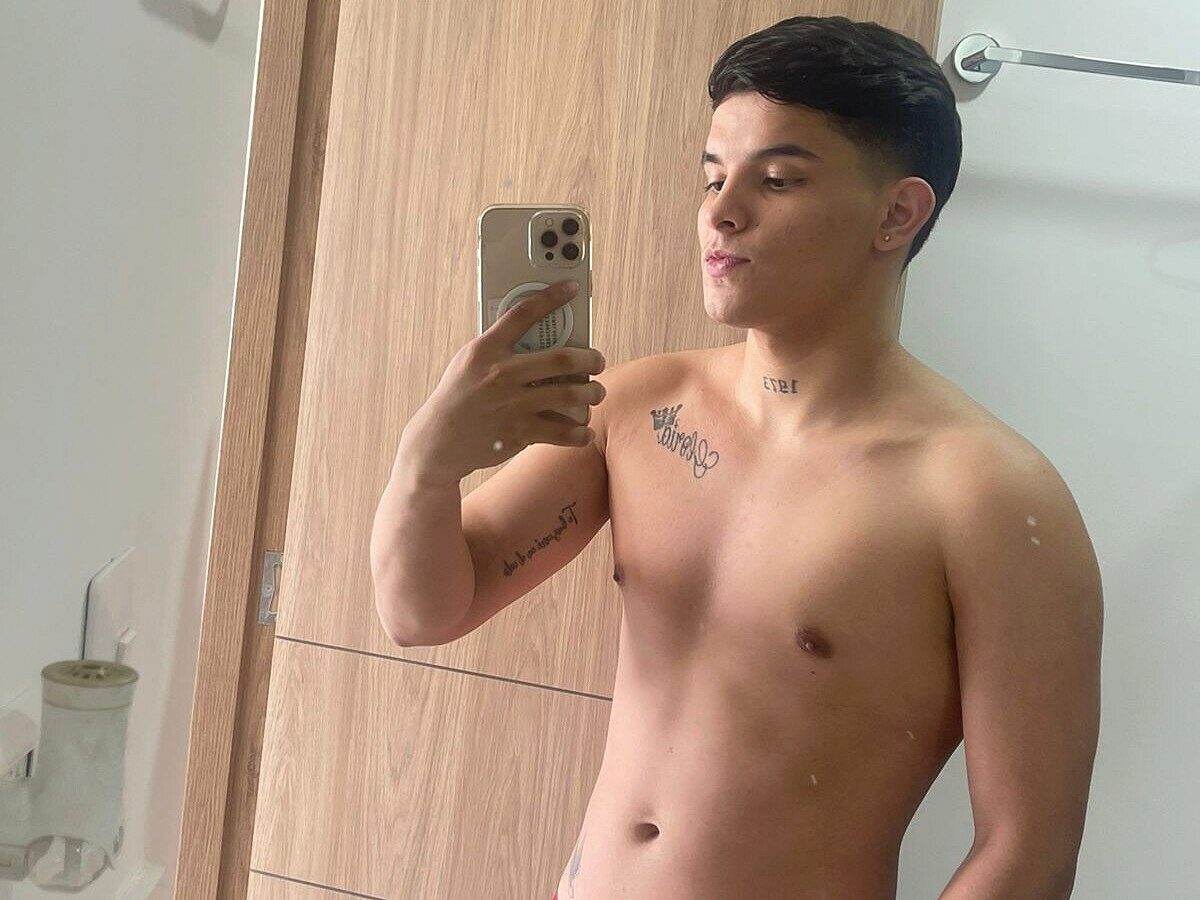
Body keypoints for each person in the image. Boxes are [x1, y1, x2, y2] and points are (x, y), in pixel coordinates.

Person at [371, 15, 1103, 900]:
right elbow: (425, 611)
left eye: (778, 179)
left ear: (897, 214)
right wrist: (427, 463)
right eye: (713, 177)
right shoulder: (640, 407)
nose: (721, 211)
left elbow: (1027, 855)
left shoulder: (989, 498)